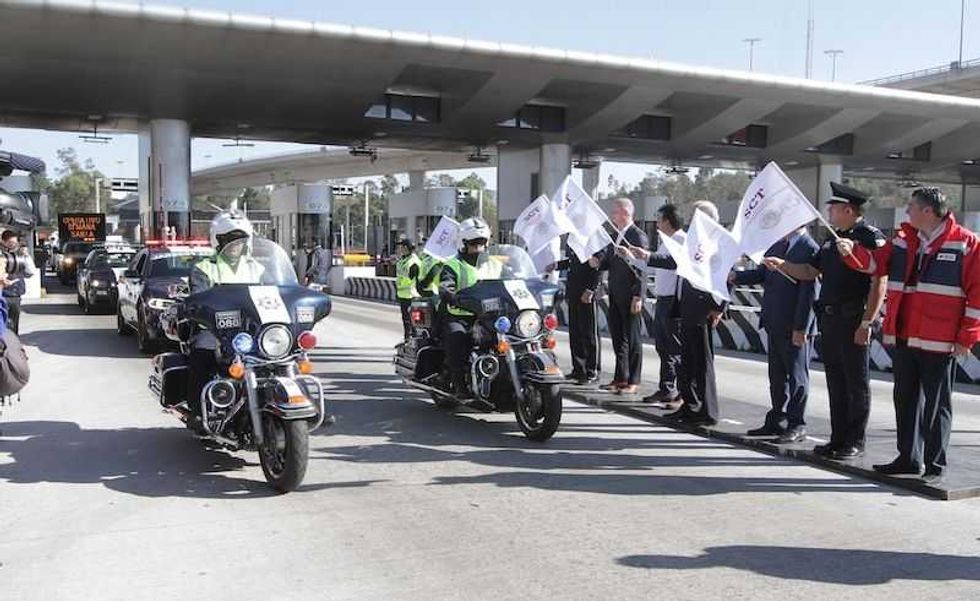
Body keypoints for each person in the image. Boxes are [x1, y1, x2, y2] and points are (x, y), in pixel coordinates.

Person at [836, 188, 980, 483]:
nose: (907, 212)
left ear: (928, 211)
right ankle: (907, 458)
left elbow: (978, 295)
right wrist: (852, 253)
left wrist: (966, 338)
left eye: (912, 207)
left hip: (940, 340)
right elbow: (876, 264)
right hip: (904, 336)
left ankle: (934, 465)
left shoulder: (966, 243)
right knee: (905, 399)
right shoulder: (902, 240)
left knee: (936, 405)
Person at [764, 182, 886, 460]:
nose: (828, 212)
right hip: (830, 319)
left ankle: (855, 440)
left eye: (832, 208)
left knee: (856, 383)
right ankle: (838, 438)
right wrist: (782, 265)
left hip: (853, 317)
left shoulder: (869, 237)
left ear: (848, 209)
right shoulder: (832, 239)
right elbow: (810, 270)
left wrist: (867, 322)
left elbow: (880, 280)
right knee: (836, 382)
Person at [635, 201, 726, 426]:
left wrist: (720, 308)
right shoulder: (695, 241)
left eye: (694, 216)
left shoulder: (715, 241)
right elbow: (677, 262)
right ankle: (690, 406)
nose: (689, 221)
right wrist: (647, 257)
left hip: (703, 306)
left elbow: (724, 274)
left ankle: (708, 411)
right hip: (686, 304)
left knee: (702, 363)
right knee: (687, 361)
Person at [732, 227, 819, 443]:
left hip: (794, 324)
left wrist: (802, 327)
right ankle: (776, 418)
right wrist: (736, 276)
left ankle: (796, 423)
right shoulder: (778, 245)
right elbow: (762, 273)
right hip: (774, 320)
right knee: (777, 376)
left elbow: (809, 292)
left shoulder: (809, 248)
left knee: (797, 377)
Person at [186, 209, 264, 429]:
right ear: (217, 241)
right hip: (215, 329)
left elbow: (276, 293)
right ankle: (197, 411)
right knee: (203, 350)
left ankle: (302, 402)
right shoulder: (204, 268)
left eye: (240, 239)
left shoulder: (256, 268)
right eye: (229, 239)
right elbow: (198, 300)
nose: (235, 244)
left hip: (250, 329)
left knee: (285, 351)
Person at [590, 198, 648, 395]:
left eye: (615, 212)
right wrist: (597, 262)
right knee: (618, 338)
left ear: (625, 212)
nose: (612, 215)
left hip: (630, 295)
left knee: (633, 339)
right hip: (615, 293)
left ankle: (634, 379)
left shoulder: (636, 236)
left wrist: (638, 296)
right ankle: (620, 377)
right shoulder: (616, 235)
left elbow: (642, 269)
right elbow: (610, 262)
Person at [438, 217, 500, 398]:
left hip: (489, 316)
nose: (479, 247)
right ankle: (459, 385)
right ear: (463, 243)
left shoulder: (494, 264)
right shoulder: (453, 265)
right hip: (460, 316)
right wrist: (451, 295)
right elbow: (445, 285)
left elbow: (513, 278)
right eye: (474, 243)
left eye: (482, 243)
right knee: (457, 339)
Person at [642, 204, 686, 407]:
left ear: (667, 221)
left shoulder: (681, 241)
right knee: (662, 346)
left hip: (674, 301)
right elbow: (654, 265)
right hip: (662, 299)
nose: (657, 223)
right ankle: (666, 388)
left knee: (674, 347)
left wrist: (647, 256)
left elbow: (671, 262)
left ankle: (680, 391)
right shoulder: (665, 242)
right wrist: (634, 257)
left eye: (659, 219)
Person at [549, 244, 602, 385]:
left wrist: (591, 289)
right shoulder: (574, 240)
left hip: (586, 292)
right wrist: (557, 265)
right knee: (575, 332)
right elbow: (573, 262)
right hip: (574, 291)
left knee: (589, 333)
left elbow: (598, 266)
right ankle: (578, 368)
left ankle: (592, 370)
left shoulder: (592, 239)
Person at [0, 230, 35, 335]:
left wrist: (26, 256)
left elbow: (30, 272)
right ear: (4, 242)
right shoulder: (2, 255)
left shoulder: (21, 255)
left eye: (15, 243)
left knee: (14, 324)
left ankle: (13, 346)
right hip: (3, 294)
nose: (13, 246)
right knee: (3, 323)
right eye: (10, 243)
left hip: (16, 295)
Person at [394, 237, 421, 340]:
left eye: (400, 246)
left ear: (405, 247)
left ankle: (413, 339)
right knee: (406, 320)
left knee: (413, 321)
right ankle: (407, 339)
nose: (399, 248)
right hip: (403, 295)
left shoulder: (414, 262)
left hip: (412, 295)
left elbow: (416, 278)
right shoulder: (403, 260)